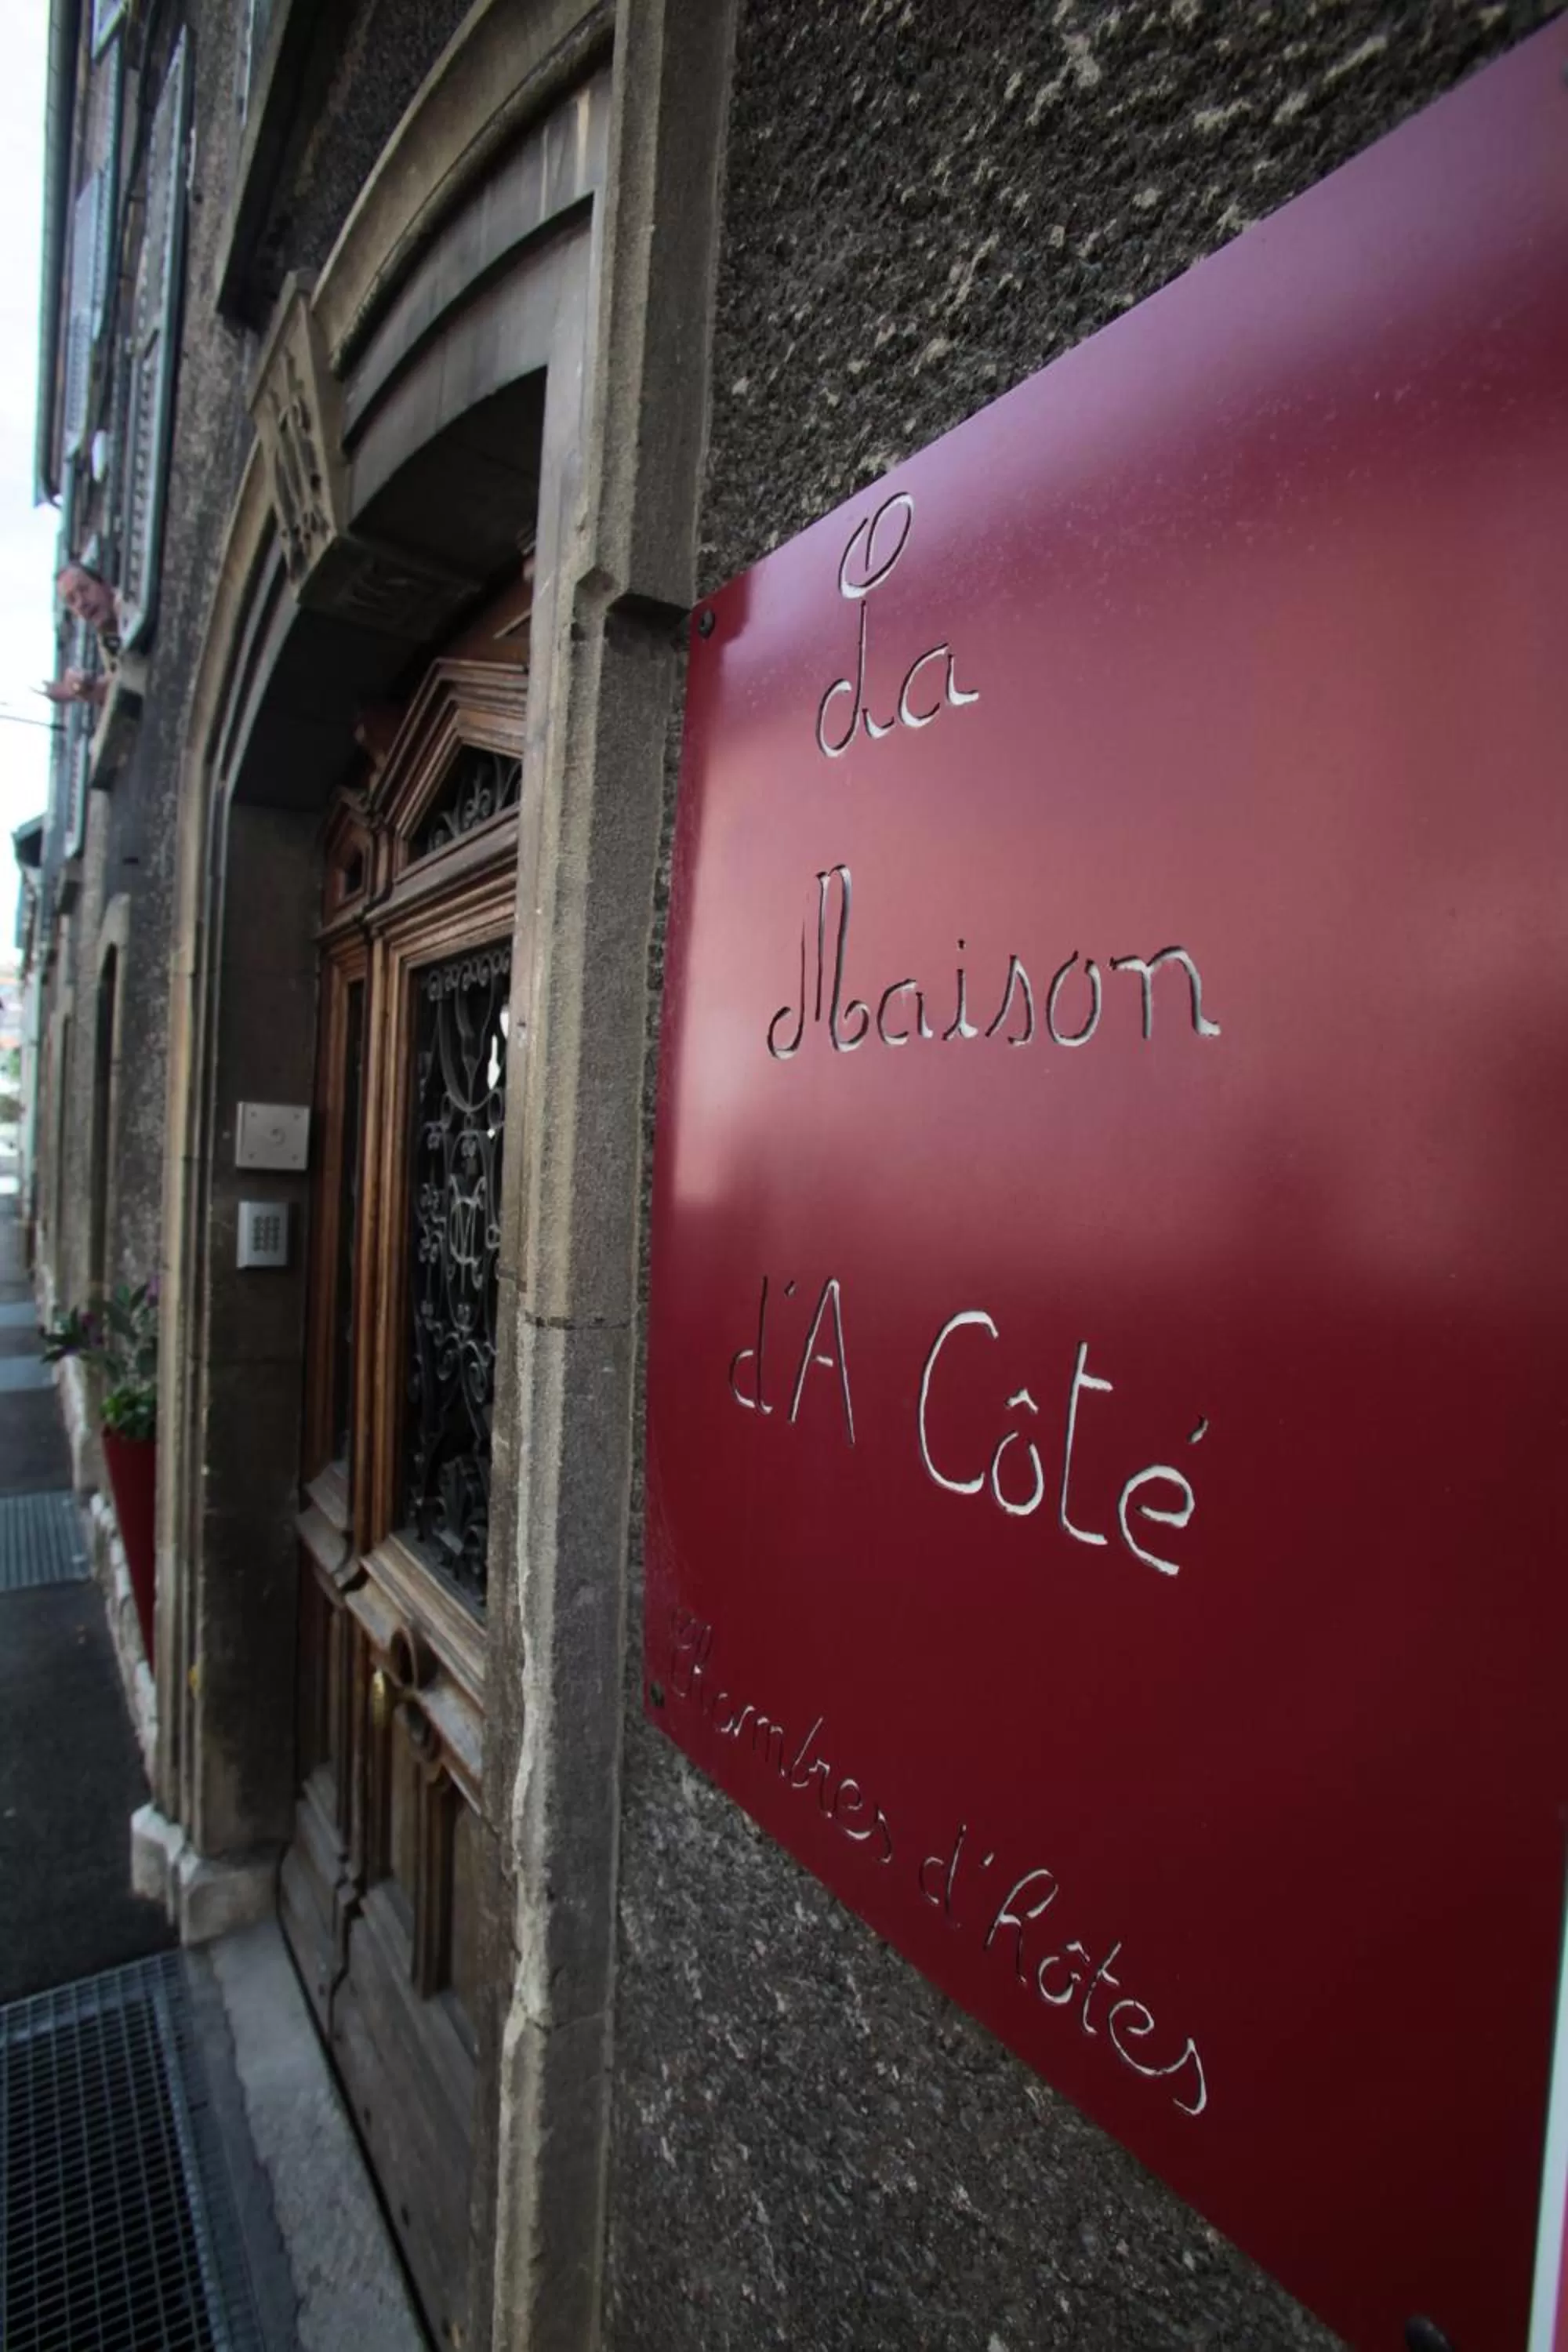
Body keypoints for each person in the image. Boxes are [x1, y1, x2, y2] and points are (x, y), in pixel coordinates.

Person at [39, 562, 122, 709]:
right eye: (72, 600)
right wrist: (78, 689)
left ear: (103, 584)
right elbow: (117, 685)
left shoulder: (126, 606)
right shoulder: (105, 637)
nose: (81, 603)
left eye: (84, 589)